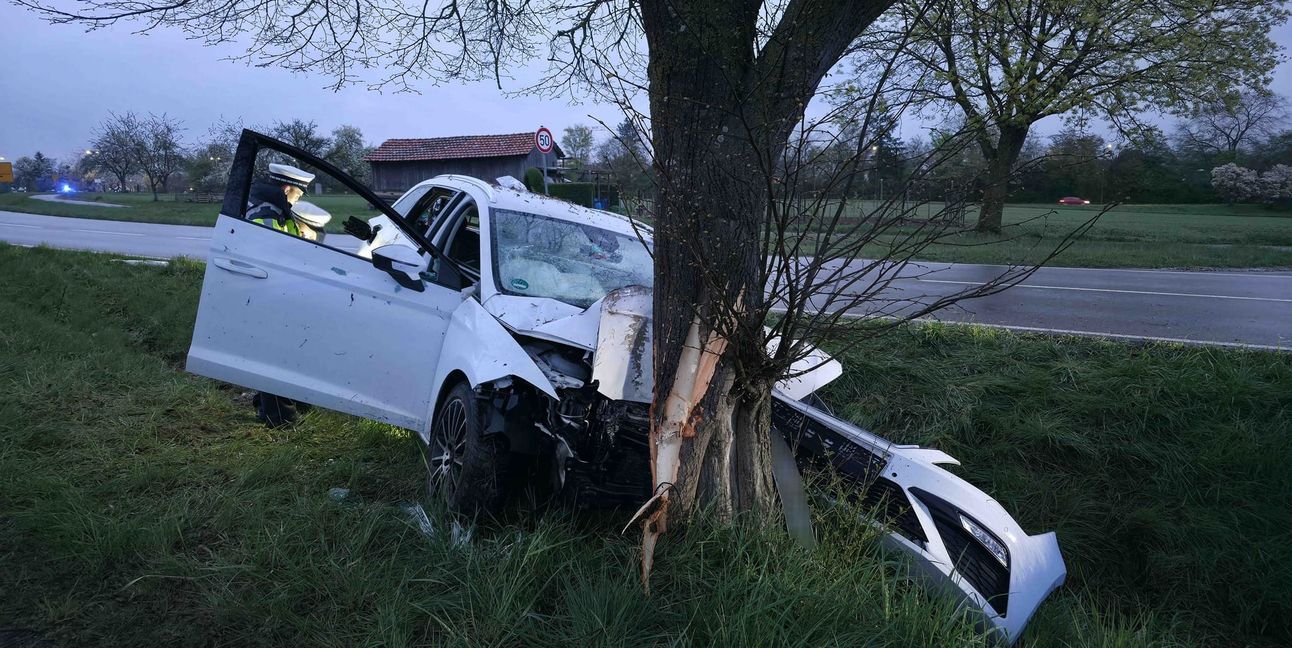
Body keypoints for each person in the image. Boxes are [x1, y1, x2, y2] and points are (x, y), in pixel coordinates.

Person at [245, 163, 334, 427]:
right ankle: (280, 418)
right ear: (287, 189)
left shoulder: (275, 210)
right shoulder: (269, 214)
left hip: (271, 291)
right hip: (268, 293)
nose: (298, 201)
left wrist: (311, 236)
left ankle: (269, 407)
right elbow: (278, 256)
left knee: (277, 350)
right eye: (297, 195)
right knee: (275, 354)